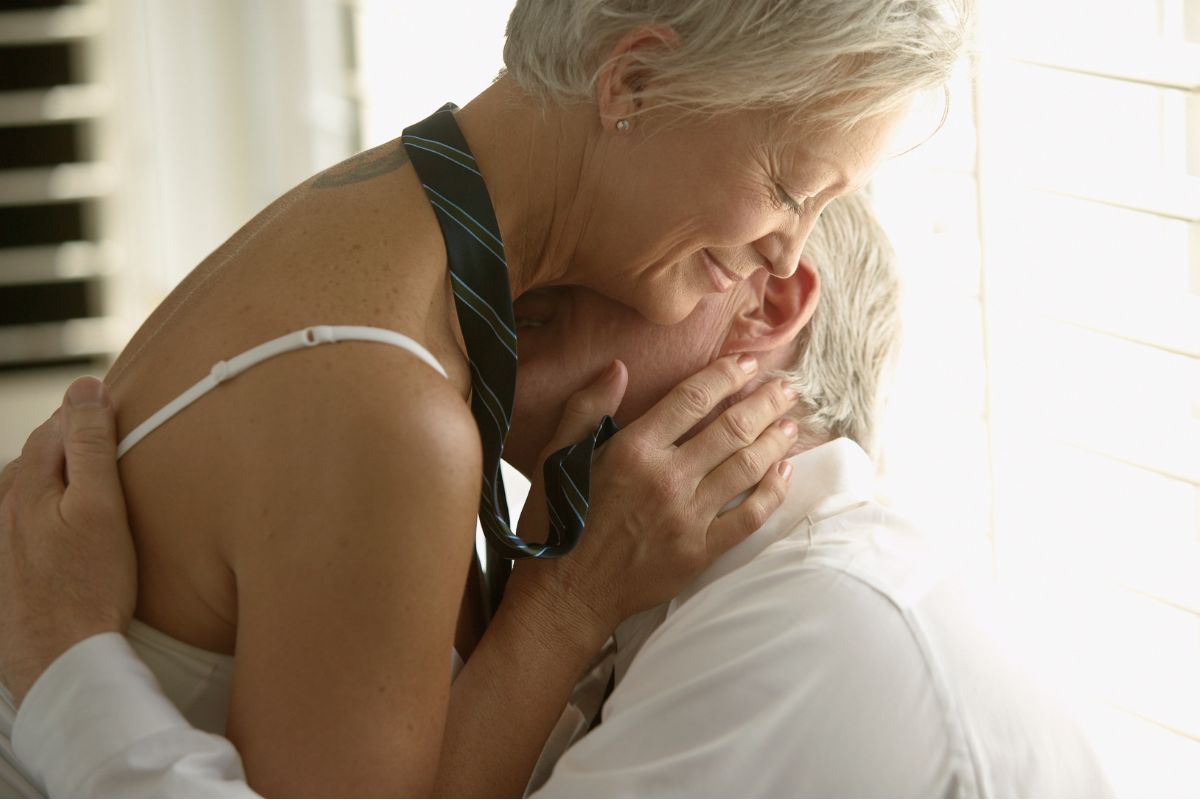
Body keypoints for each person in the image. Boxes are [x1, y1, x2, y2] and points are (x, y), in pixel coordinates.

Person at [1, 0, 969, 795]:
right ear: (635, 81)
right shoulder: (389, 406)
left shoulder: (370, 224)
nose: (793, 253)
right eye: (793, 188)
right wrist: (65, 668)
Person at [1, 194, 1110, 797]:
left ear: (768, 300)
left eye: (616, 228)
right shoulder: (662, 605)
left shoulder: (821, 629)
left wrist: (65, 669)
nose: (522, 263)